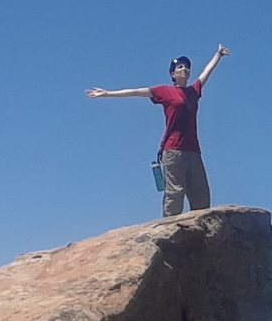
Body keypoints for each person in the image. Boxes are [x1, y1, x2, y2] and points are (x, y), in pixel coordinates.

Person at [85, 44, 231, 217]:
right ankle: (171, 229)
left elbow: (207, 72)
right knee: (175, 194)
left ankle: (203, 231)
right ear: (173, 74)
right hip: (173, 150)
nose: (184, 69)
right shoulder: (165, 91)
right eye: (180, 67)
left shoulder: (194, 91)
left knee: (201, 195)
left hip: (193, 151)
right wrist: (107, 93)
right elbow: (136, 92)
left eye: (186, 67)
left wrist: (218, 54)